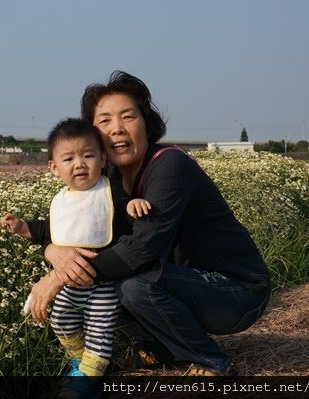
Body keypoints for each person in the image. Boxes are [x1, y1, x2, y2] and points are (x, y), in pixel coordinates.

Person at [25, 71, 271, 376]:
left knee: (132, 285)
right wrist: (51, 251)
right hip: (183, 282)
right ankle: (165, 348)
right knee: (112, 285)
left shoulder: (170, 166)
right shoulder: (106, 178)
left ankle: (211, 360)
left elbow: (142, 249)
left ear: (146, 123)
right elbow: (75, 225)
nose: (117, 129)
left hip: (234, 292)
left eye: (128, 116)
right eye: (104, 121)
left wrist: (60, 278)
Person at [0, 117, 151, 377]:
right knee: (60, 318)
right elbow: (48, 229)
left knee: (98, 327)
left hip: (104, 281)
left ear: (103, 159)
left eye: (88, 156)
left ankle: (91, 375)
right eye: (68, 159)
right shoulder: (62, 202)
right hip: (71, 283)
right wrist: (22, 227)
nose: (79, 164)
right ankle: (79, 359)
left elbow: (123, 210)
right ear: (54, 167)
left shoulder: (108, 191)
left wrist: (132, 206)